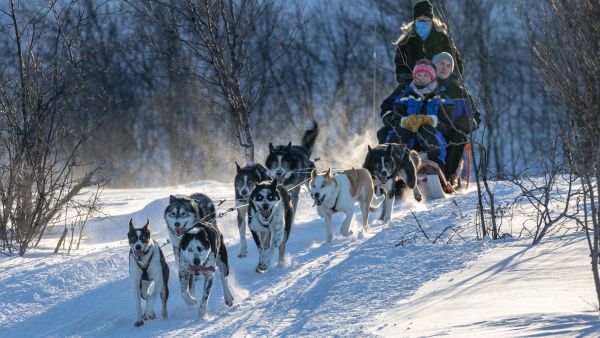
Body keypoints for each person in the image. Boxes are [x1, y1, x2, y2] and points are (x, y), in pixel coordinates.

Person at [381, 60, 448, 168]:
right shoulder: (405, 96)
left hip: (431, 137)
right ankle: (391, 160)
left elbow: (447, 123)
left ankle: (433, 164)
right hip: (408, 137)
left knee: (427, 129)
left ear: (432, 77)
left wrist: (430, 121)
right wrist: (404, 121)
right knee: (399, 132)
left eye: (425, 75)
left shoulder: (441, 98)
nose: (421, 77)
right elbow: (396, 117)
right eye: (419, 75)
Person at [432, 52, 480, 184]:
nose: (444, 67)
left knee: (458, 136)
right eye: (441, 63)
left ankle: (447, 178)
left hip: (454, 130)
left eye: (448, 65)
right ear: (434, 65)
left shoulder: (460, 91)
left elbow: (476, 116)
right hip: (433, 127)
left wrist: (464, 124)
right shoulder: (426, 84)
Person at [394, 0, 463, 86]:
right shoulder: (405, 43)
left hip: (441, 88)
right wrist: (411, 81)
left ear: (432, 20)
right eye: (420, 19)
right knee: (391, 100)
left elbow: (457, 66)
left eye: (427, 19)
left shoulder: (443, 39)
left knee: (464, 98)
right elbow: (400, 69)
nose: (423, 22)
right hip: (413, 87)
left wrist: (445, 82)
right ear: (415, 21)